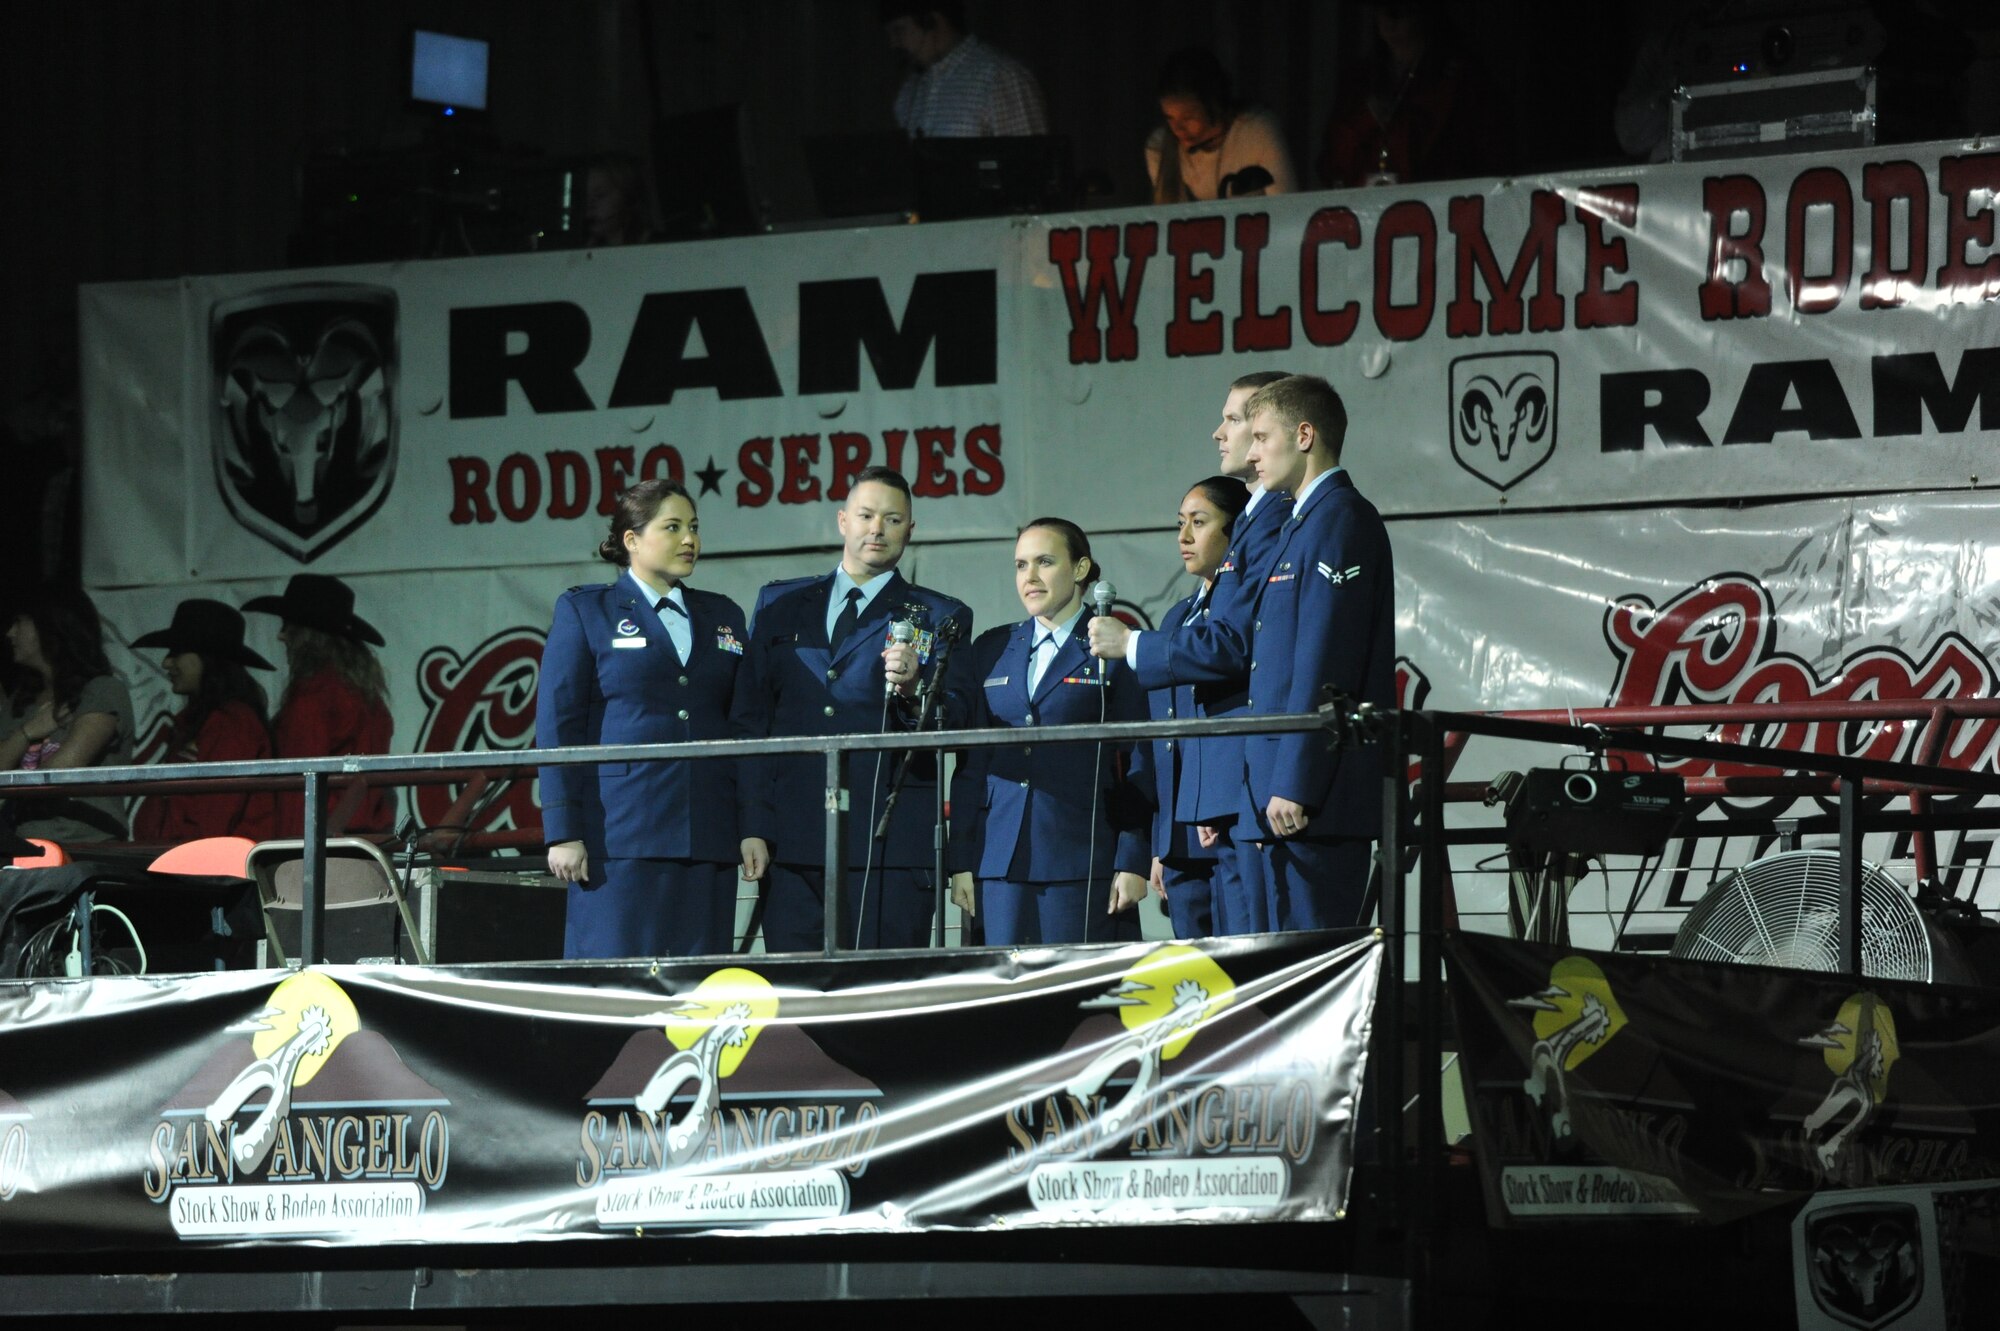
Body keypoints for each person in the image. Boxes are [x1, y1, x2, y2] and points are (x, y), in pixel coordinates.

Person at [1092, 374, 1394, 930]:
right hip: (1267, 793)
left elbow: (1326, 660)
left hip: (1303, 797)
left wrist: (1294, 781)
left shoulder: (1339, 519)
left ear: (1303, 435)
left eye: (1259, 436)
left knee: (1306, 972)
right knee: (1263, 978)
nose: (1250, 453)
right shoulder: (1299, 525)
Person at [733, 466, 973, 951]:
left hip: (891, 846)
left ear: (911, 529)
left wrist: (914, 688)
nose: (876, 529)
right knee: (799, 1004)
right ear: (843, 520)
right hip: (795, 841)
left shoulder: (941, 616)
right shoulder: (779, 604)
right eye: (865, 515)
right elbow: (751, 721)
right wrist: (755, 824)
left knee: (884, 1000)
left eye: (892, 519)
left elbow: (959, 717)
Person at [536, 480, 748, 959]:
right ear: (631, 540)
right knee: (614, 989)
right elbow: (558, 723)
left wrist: (751, 823)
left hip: (709, 836)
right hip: (620, 837)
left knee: (698, 999)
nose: (689, 539)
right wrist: (564, 829)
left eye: (693, 527)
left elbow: (743, 725)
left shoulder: (723, 614)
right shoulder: (586, 610)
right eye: (671, 527)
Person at [947, 519, 1149, 946]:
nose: (1030, 577)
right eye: (1021, 565)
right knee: (1004, 1002)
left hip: (1082, 857)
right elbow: (972, 763)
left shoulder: (1112, 646)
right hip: (998, 859)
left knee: (1077, 1002)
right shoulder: (993, 647)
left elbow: (1138, 759)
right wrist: (961, 859)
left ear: (1080, 570)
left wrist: (1133, 858)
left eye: (1044, 562)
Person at [1132, 476, 1251, 940]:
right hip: (1181, 830)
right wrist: (1162, 841)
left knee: (1239, 962)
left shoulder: (1240, 610)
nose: (1183, 538)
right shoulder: (1177, 617)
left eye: (1199, 523)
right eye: (1180, 524)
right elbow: (1169, 738)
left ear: (1236, 530)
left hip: (1225, 818)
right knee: (1195, 977)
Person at [243, 573, 395, 837]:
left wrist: (287, 855)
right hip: (366, 841)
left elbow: (299, 789)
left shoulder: (314, 696)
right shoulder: (369, 698)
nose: (281, 636)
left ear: (307, 635)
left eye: (288, 626)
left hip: (322, 845)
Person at [128, 599, 279, 843]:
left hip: (213, 871)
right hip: (191, 866)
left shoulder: (232, 724)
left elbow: (212, 820)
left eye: (177, 651)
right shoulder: (202, 722)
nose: (167, 662)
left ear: (208, 658)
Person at [1315, 0, 1505, 188]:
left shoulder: (1460, 80)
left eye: (1401, 11)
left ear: (1423, 14)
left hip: (1433, 205)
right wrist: (1364, 121)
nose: (1389, 20)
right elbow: (1332, 164)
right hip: (1367, 208)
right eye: (1382, 10)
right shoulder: (1359, 80)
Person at [1, 587, 134, 844]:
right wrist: (27, 731)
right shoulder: (22, 700)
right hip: (22, 847)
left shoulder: (103, 690)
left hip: (85, 849)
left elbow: (61, 772)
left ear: (52, 626)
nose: (9, 633)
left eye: (19, 622)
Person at [1146, 47, 1298, 203]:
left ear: (1213, 104)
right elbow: (1174, 219)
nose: (1178, 129)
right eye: (1170, 118)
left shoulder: (1257, 131)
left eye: (1188, 118)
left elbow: (1284, 206)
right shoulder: (1160, 147)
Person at [882, 1, 1048, 138]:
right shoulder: (910, 91)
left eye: (899, 30)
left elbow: (1029, 166)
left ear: (930, 21)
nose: (894, 43)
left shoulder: (1001, 77)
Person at [581, 154, 657, 247]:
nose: (589, 206)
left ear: (627, 195)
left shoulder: (660, 245)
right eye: (585, 197)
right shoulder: (582, 249)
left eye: (599, 195)